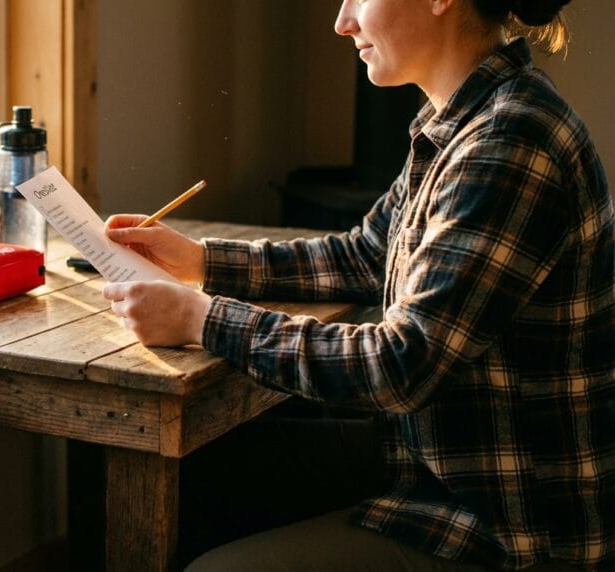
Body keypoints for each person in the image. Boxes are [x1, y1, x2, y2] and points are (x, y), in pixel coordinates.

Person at [101, 0, 614, 569]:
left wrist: (201, 319)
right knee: (198, 473)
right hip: (428, 460)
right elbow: (368, 253)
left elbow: (400, 365)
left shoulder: (509, 141)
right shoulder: (466, 119)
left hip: (501, 521)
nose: (342, 22)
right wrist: (201, 260)